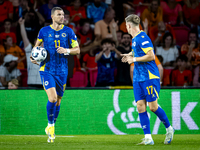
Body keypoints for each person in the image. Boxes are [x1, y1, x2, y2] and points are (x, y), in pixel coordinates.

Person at [121, 14, 174, 145]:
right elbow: (139, 52)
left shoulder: (142, 37)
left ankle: (169, 128)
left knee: (153, 107)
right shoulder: (134, 39)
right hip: (138, 77)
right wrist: (129, 55)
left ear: (128, 26)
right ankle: (148, 138)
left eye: (126, 26)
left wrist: (133, 59)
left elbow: (150, 56)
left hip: (149, 77)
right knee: (140, 107)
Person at [30, 7, 80, 143]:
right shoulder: (44, 31)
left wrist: (67, 50)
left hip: (63, 71)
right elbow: (36, 48)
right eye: (59, 14)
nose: (62, 17)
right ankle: (51, 126)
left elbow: (77, 50)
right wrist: (33, 57)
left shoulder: (68, 31)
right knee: (52, 99)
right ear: (52, 16)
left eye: (63, 14)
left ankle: (51, 126)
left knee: (58, 101)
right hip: (47, 69)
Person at [18, 17, 42, 88]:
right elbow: (24, 38)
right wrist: (22, 24)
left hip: (45, 84)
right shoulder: (30, 51)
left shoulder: (50, 53)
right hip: (32, 83)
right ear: (35, 42)